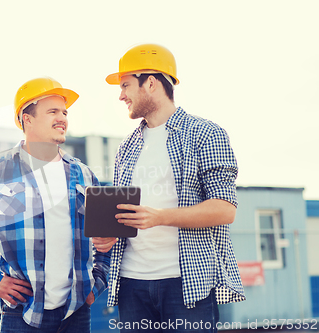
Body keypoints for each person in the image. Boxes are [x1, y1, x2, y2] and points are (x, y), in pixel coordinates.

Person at [92, 44, 245, 332]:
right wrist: (110, 233)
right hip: (132, 285)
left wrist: (159, 217)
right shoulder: (126, 147)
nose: (121, 95)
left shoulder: (206, 134)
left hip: (186, 285)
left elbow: (224, 209)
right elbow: (127, 212)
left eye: (126, 85)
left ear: (151, 82)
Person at [0, 77, 110, 333]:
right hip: (21, 313)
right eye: (52, 111)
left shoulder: (84, 174)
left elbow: (106, 237)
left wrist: (97, 282)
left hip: (76, 313)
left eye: (64, 112)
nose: (62, 118)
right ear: (27, 119)